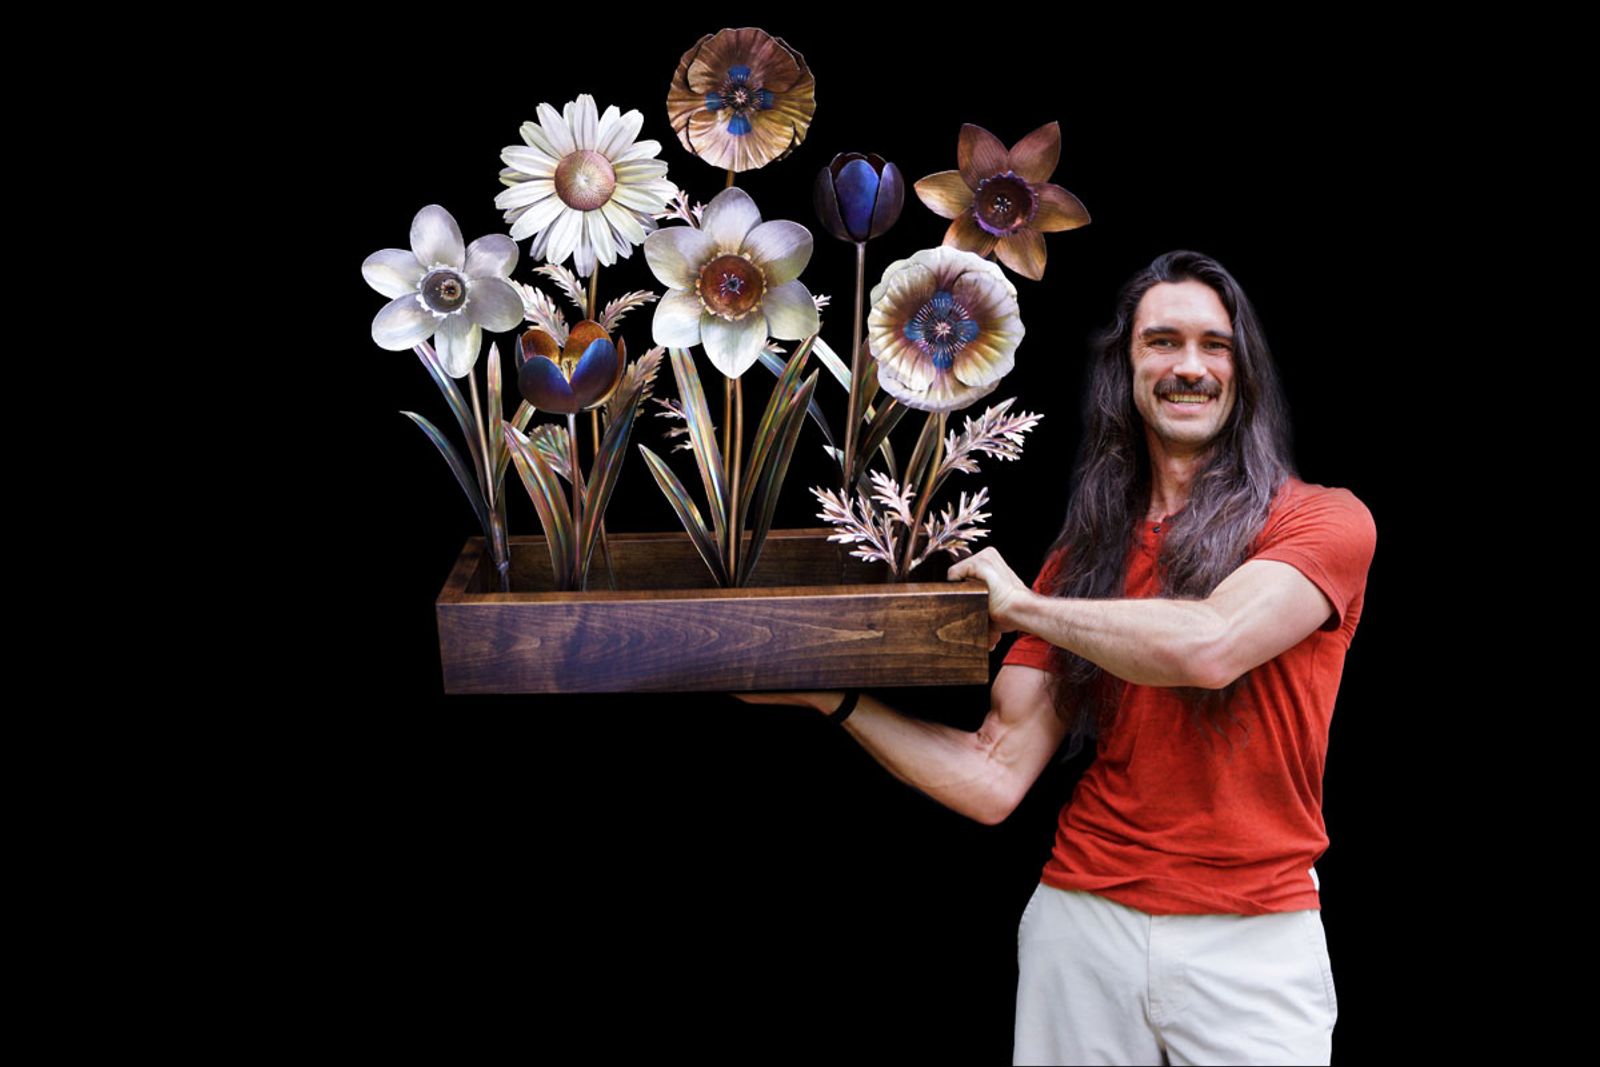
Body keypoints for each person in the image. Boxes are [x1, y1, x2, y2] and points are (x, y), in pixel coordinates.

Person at [738, 249, 1376, 1065]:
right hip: (1083, 926)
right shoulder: (1086, 559)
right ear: (1128, 368)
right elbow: (993, 776)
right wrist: (834, 699)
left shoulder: (1322, 521)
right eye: (1162, 342)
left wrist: (1028, 609)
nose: (1189, 366)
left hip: (1253, 940)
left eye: (1215, 346)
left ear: (1244, 371)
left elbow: (1212, 645)